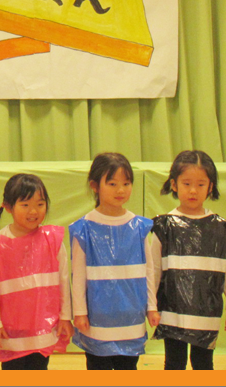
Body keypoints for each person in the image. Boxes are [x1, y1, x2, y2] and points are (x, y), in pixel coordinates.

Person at [147, 150, 226, 370]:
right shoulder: (165, 226)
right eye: (187, 184)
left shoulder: (220, 228)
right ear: (174, 184)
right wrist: (150, 306)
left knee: (203, 364)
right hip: (172, 311)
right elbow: (153, 270)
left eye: (200, 184)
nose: (193, 190)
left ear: (210, 187)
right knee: (174, 363)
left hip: (207, 312)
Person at [70, 153, 152, 370]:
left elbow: (149, 271)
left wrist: (152, 307)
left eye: (126, 183)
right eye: (113, 183)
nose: (121, 190)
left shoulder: (139, 226)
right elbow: (77, 276)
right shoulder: (83, 228)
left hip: (131, 319)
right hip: (97, 320)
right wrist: (79, 312)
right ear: (95, 186)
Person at [0, 173, 72, 370]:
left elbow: (63, 280)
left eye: (40, 204)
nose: (33, 211)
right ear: (8, 207)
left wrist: (65, 317)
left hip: (43, 331)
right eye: (25, 205)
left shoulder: (52, 240)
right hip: (11, 333)